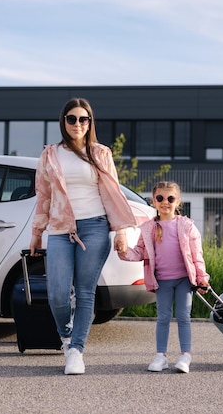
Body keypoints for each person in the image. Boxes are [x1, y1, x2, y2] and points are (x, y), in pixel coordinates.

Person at [29, 97, 136, 375]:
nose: (78, 124)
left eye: (83, 119)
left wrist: (121, 231)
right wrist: (37, 233)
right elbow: (44, 196)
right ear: (63, 122)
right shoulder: (50, 154)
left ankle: (76, 350)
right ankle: (66, 336)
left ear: (90, 123)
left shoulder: (100, 153)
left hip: (95, 227)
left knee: (86, 292)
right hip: (61, 229)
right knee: (57, 294)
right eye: (72, 119)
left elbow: (113, 194)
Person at [117, 181, 210, 373]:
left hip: (185, 280)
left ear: (178, 202)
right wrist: (123, 251)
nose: (165, 202)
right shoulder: (148, 228)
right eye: (160, 198)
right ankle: (161, 356)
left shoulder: (186, 226)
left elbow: (196, 255)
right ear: (153, 201)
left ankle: (185, 355)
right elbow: (139, 252)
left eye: (170, 198)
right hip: (162, 281)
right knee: (163, 317)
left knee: (183, 316)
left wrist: (202, 277)